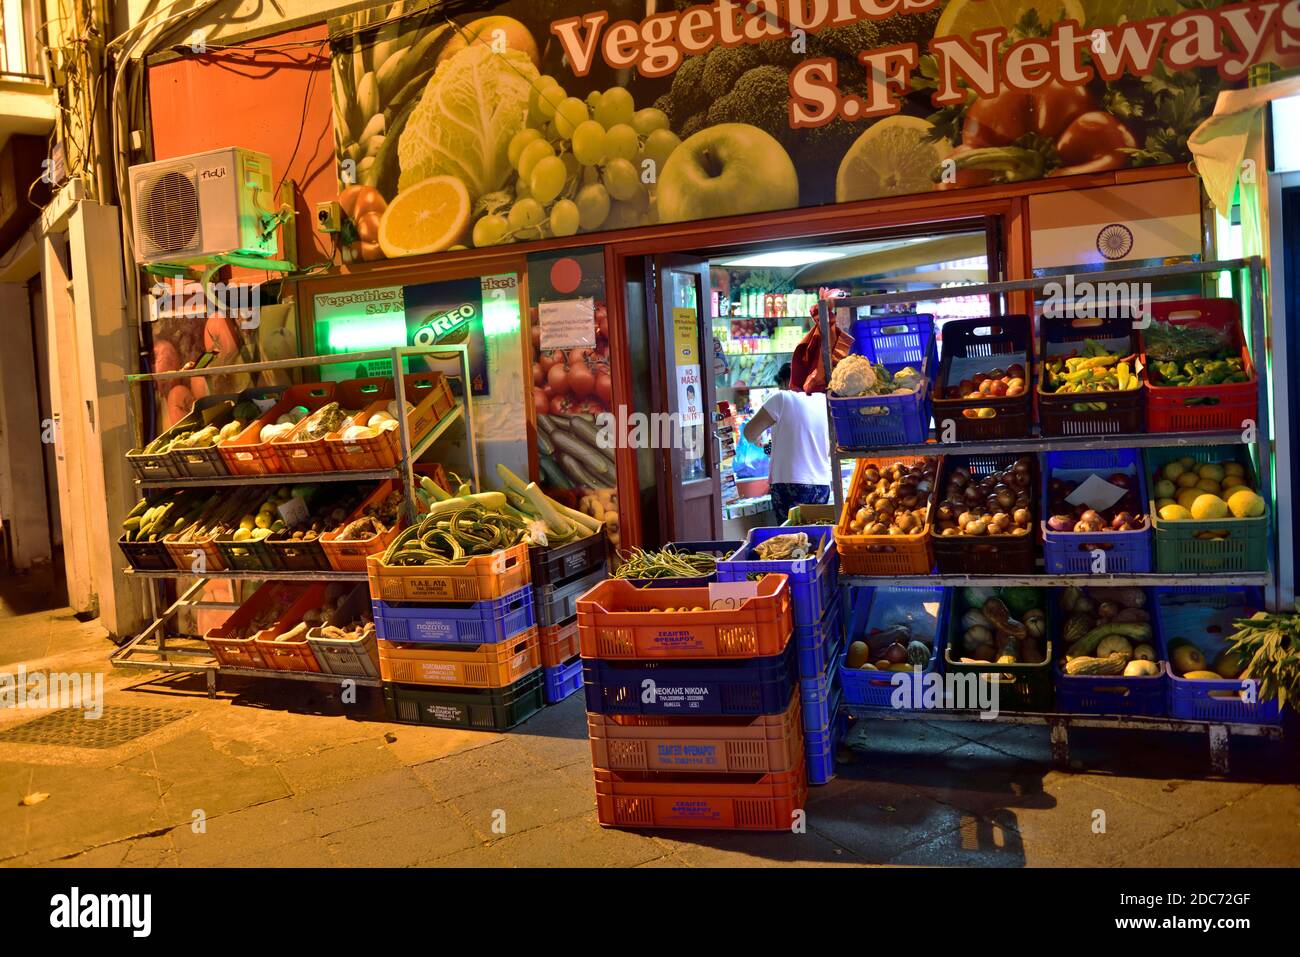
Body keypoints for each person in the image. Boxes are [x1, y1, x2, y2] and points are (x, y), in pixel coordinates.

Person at [743, 361, 832, 522]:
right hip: (821, 484)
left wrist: (758, 438)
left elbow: (749, 432)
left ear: (785, 382)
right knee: (815, 537)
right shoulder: (822, 400)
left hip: (790, 483)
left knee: (792, 541)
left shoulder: (781, 398)